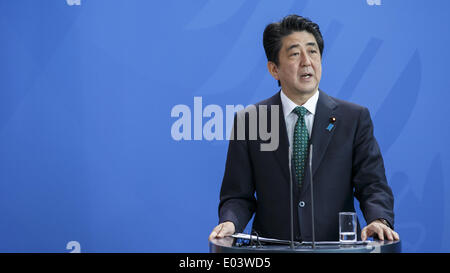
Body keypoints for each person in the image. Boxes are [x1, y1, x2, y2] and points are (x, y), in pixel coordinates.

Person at [209, 15, 399, 242]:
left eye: (313, 52)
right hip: (272, 248)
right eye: (295, 54)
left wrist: (379, 219)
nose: (307, 62)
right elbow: (237, 195)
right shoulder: (250, 121)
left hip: (335, 248)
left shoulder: (353, 118)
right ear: (274, 69)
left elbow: (373, 185)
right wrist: (230, 221)